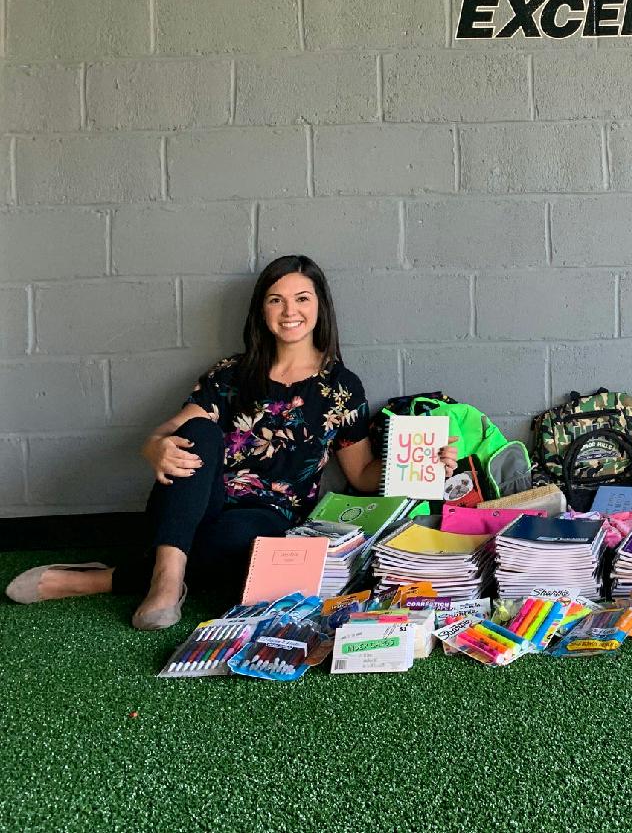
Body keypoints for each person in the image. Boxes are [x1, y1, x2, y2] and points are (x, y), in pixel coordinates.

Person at [5, 254, 457, 628]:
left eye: (302, 298)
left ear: (320, 307)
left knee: (241, 544)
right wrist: (153, 447)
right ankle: (165, 582)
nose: (289, 311)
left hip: (269, 517)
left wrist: (426, 465)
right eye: (276, 300)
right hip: (201, 498)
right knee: (197, 432)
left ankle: (106, 580)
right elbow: (172, 432)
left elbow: (361, 475)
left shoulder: (340, 386)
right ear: (261, 310)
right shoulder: (231, 373)